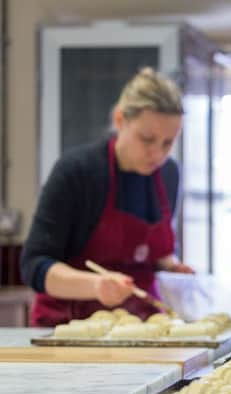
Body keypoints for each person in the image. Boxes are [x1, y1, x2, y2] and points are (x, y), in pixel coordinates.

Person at [21, 68, 194, 327]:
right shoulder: (77, 171)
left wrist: (171, 268)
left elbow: (156, 253)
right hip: (69, 326)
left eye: (168, 143)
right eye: (147, 139)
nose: (157, 154)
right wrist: (96, 286)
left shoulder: (169, 173)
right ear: (120, 120)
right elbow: (34, 265)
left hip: (142, 326)